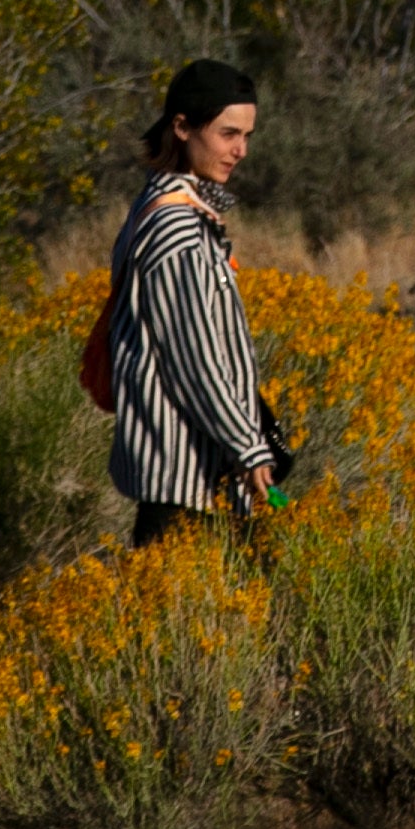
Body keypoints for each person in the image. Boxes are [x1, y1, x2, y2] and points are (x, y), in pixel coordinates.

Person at [104, 57, 282, 543]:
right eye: (228, 134)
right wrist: (250, 447)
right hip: (187, 484)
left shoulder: (160, 204)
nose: (241, 150)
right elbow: (195, 360)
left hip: (197, 473)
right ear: (181, 127)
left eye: (247, 136)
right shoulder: (177, 227)